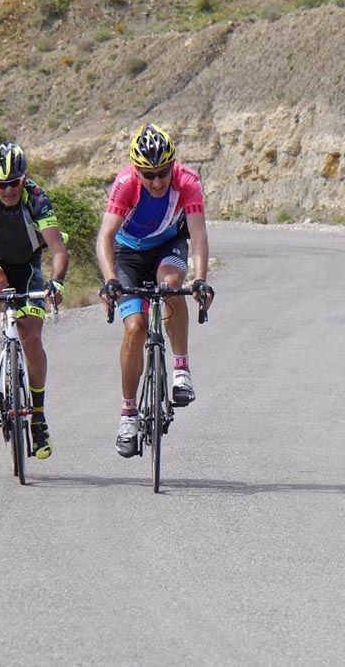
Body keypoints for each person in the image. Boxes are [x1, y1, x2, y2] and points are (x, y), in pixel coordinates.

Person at [96, 124, 214, 458]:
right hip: (128, 254)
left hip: (168, 246)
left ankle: (180, 370)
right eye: (149, 175)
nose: (158, 181)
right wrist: (109, 279)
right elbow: (104, 237)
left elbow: (199, 236)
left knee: (171, 285)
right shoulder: (125, 184)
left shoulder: (187, 181)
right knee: (134, 328)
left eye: (163, 172)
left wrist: (201, 279)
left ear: (172, 165)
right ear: (137, 171)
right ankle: (128, 414)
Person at [0, 142, 69, 460]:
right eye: (0, 184)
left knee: (31, 338)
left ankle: (39, 417)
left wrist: (56, 282)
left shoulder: (37, 198)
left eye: (13, 182)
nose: (7, 190)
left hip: (27, 266)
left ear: (24, 178)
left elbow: (58, 249)